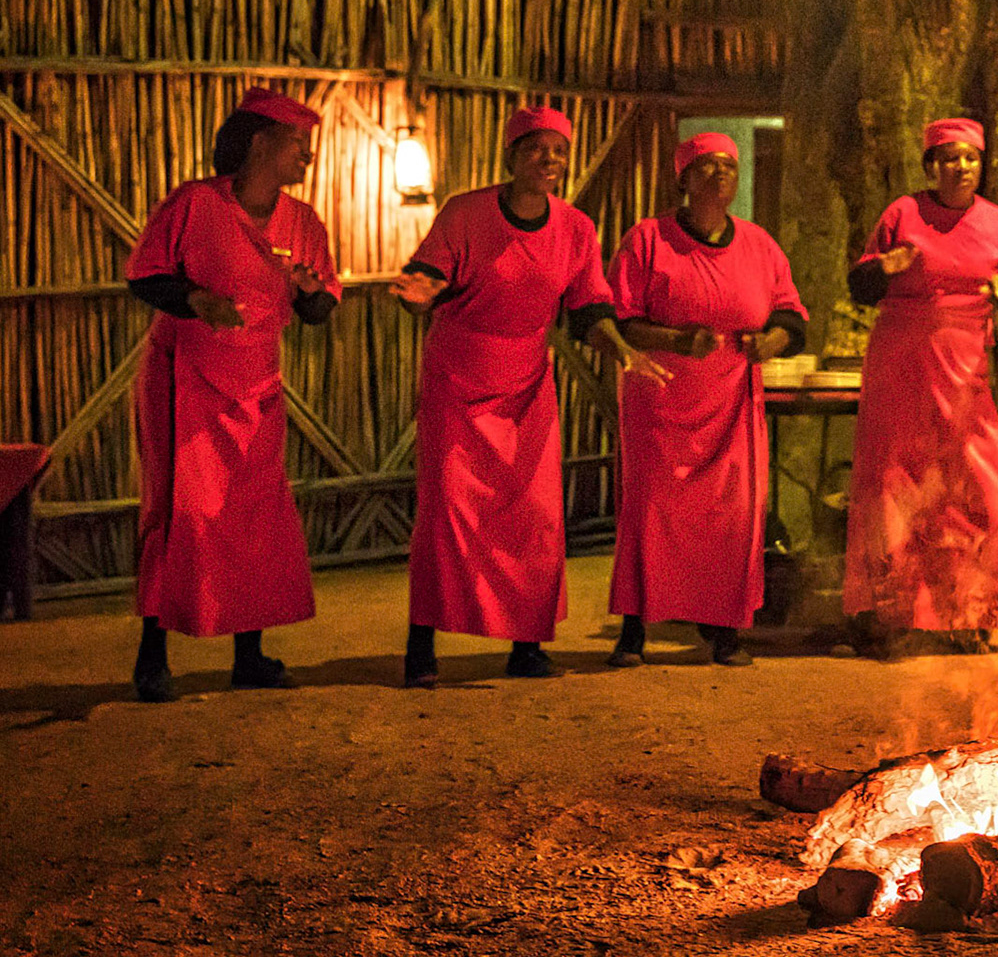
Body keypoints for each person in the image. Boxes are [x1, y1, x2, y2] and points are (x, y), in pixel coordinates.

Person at [391, 106, 664, 687]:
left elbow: (589, 307)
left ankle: (528, 644)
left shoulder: (576, 229)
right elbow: (427, 276)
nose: (550, 161)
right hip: (458, 378)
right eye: (537, 149)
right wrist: (415, 293)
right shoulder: (466, 213)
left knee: (535, 517)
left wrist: (621, 349)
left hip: (527, 382)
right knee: (447, 513)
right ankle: (422, 647)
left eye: (559, 152)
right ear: (512, 157)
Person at [126, 87, 341, 702]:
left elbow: (323, 306)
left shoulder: (302, 223)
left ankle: (249, 654)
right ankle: (152, 655)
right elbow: (145, 275)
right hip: (185, 374)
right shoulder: (195, 204)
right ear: (257, 142)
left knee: (256, 513)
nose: (307, 155)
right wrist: (197, 301)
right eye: (297, 143)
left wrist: (304, 293)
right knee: (176, 511)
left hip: (257, 382)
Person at [606, 132, 807, 667]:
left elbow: (791, 314)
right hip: (663, 397)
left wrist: (770, 342)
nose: (719, 176)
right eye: (707, 167)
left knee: (733, 515)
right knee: (651, 510)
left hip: (732, 401)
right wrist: (676, 341)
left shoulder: (760, 245)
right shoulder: (649, 239)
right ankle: (634, 628)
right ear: (684, 179)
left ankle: (724, 632)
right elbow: (622, 318)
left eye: (728, 168)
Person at [843, 118, 998, 655]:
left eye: (970, 158)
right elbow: (859, 285)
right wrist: (885, 266)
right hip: (901, 364)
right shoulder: (902, 213)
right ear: (930, 166)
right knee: (896, 483)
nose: (961, 167)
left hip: (966, 367)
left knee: (977, 484)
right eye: (949, 158)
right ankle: (892, 614)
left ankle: (977, 610)